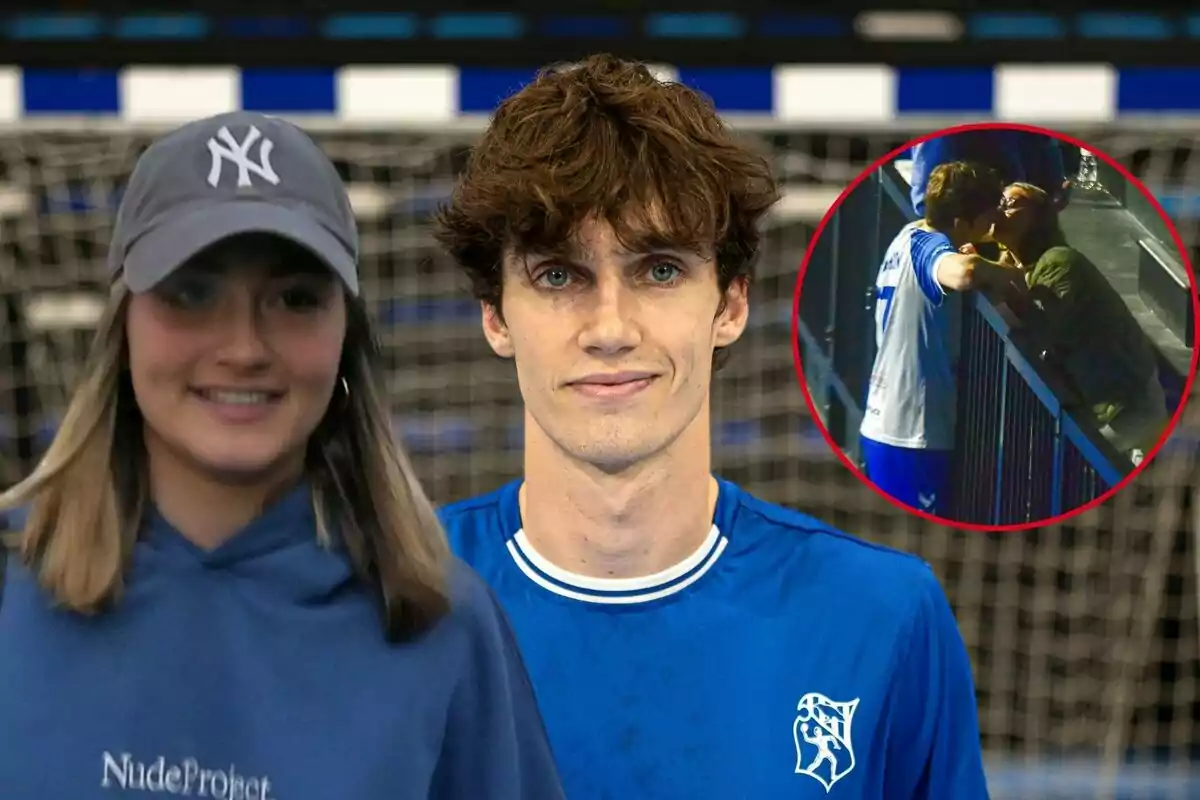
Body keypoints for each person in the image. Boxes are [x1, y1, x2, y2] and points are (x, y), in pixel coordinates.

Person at [433, 54, 989, 799]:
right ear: (495, 315)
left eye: (659, 269)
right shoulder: (384, 604)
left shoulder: (883, 618)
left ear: (729, 305)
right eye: (558, 275)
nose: (610, 328)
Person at [0, 111, 563, 800]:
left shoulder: (444, 631)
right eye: (191, 293)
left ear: (346, 340)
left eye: (294, 298)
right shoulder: (13, 604)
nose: (242, 347)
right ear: (122, 329)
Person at [861, 161, 1025, 517]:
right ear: (961, 223)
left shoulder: (907, 234)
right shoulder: (928, 247)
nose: (992, 222)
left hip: (885, 424)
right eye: (985, 216)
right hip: (912, 433)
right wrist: (1010, 274)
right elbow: (963, 273)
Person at [992, 181, 1168, 463]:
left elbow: (1040, 328)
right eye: (997, 203)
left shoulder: (1060, 262)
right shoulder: (1021, 268)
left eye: (1010, 204)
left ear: (1038, 218)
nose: (999, 210)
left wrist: (993, 283)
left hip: (1125, 407)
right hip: (1102, 402)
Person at [909, 128, 1072, 221]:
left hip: (1027, 230)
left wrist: (1053, 190)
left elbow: (1046, 150)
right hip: (970, 238)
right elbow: (929, 204)